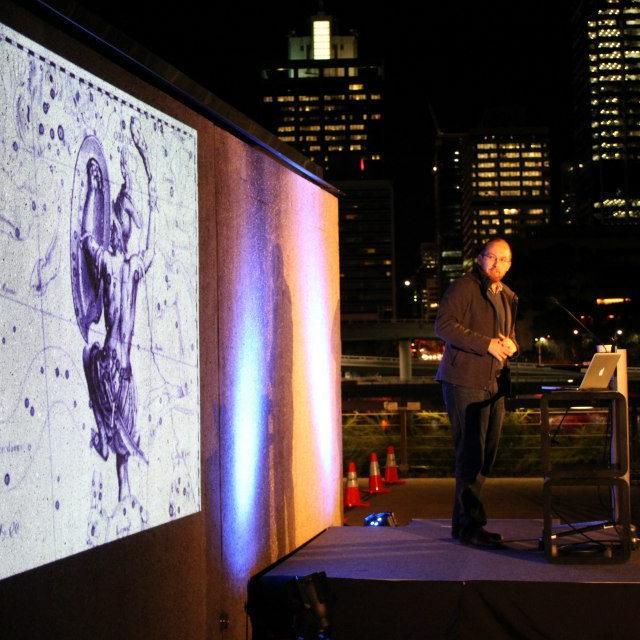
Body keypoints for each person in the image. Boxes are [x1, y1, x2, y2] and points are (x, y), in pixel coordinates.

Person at [80, 117, 156, 502]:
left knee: (125, 436)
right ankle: (108, 449)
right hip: (114, 361)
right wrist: (97, 191)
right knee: (120, 434)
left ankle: (123, 487)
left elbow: (88, 237)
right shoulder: (126, 265)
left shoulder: (123, 265)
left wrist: (97, 190)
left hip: (119, 365)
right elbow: (89, 239)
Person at [434, 238, 518, 548]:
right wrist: (486, 344)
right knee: (470, 454)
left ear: (510, 264)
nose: (498, 265)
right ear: (479, 259)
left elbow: (506, 335)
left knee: (486, 456)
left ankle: (464, 526)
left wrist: (511, 344)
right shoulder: (464, 287)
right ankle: (471, 526)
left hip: (494, 383)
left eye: (504, 260)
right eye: (492, 258)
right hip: (464, 380)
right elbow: (443, 326)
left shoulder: (507, 295)